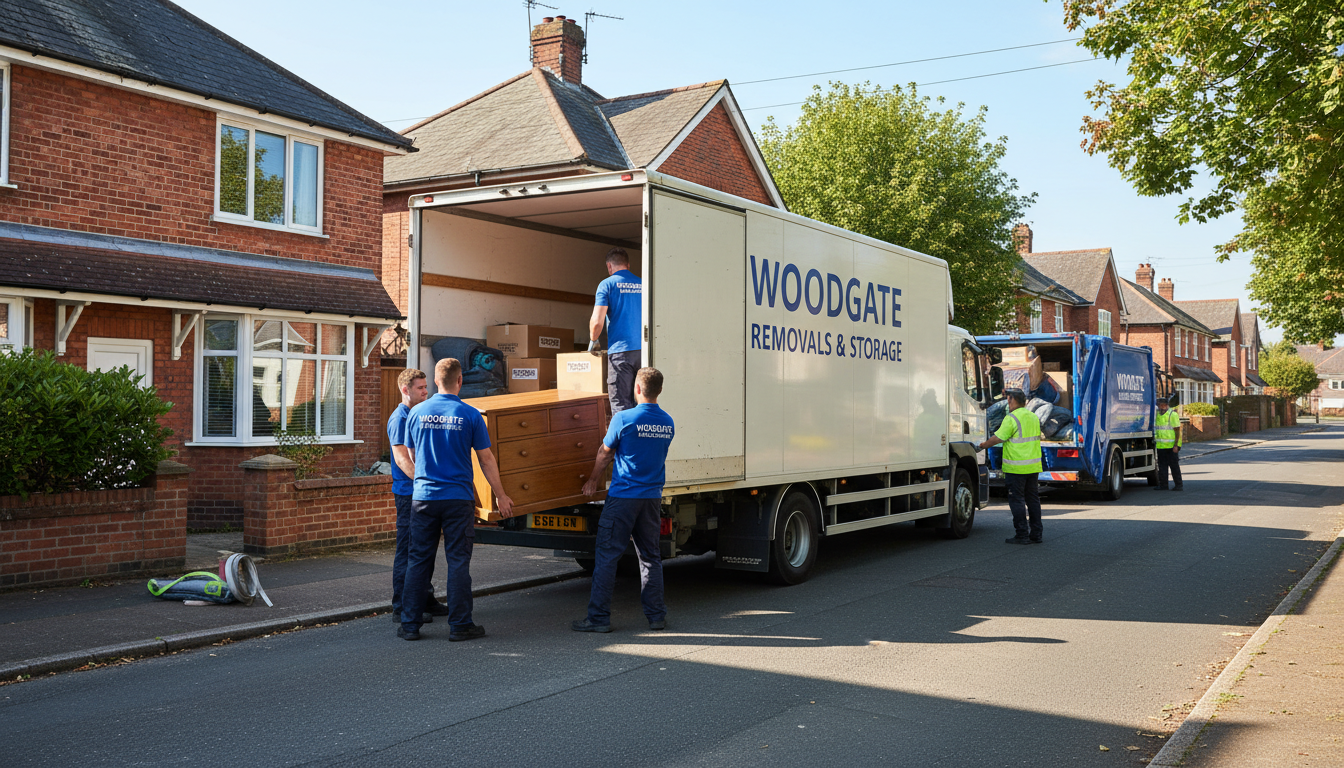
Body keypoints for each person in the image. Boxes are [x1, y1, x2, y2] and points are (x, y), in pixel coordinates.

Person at [399, 358, 514, 642]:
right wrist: (501, 495)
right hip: (457, 499)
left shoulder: (416, 413)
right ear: (460, 381)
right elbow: (486, 459)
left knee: (417, 560)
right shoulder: (470, 414)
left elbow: (412, 456)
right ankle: (460, 625)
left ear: (436, 382)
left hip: (423, 497)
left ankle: (410, 624)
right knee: (458, 561)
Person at [572, 367, 674, 633]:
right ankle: (656, 617)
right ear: (660, 390)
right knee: (651, 557)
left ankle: (598, 618)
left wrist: (593, 479)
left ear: (637, 389)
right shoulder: (668, 422)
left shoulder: (623, 419)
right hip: (651, 499)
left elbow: (605, 453)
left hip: (623, 498)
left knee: (607, 556)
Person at [387, 368, 451, 626]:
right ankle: (401, 606)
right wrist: (425, 483)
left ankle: (425, 599)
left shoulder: (418, 414)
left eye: (426, 386)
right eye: (421, 388)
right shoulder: (399, 418)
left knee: (424, 549)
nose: (426, 392)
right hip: (409, 494)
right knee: (408, 551)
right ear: (405, 390)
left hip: (422, 493)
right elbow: (402, 459)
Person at [978, 389, 1044, 544]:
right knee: (1033, 500)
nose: (1007, 402)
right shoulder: (1033, 417)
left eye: (1008, 399)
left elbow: (998, 438)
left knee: (1017, 500)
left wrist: (982, 445)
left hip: (1016, 468)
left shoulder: (1011, 418)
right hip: (1033, 467)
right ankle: (1036, 534)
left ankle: (1022, 535)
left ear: (1011, 400)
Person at [589, 247, 642, 413]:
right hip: (644, 351)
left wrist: (593, 340)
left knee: (621, 406)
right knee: (643, 403)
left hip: (621, 354)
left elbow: (597, 321)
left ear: (609, 266)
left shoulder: (607, 285)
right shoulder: (643, 283)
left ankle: (625, 439)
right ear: (628, 265)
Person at [1154, 396, 1184, 491]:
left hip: (1171, 446)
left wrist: (1177, 445)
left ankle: (1178, 485)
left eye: (1162, 405)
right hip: (1161, 446)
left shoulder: (1172, 414)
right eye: (1159, 405)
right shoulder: (1157, 415)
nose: (1161, 407)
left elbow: (1177, 431)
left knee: (1174, 466)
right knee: (1162, 467)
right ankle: (1163, 485)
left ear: (1167, 405)